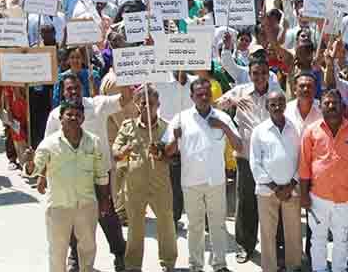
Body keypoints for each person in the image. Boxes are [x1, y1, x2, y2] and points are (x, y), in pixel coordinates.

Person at [44, 74, 131, 272]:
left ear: (82, 88)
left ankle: (120, 253)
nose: (73, 91)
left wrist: (127, 72)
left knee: (107, 215)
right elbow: (48, 147)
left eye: (76, 87)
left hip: (99, 174)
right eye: (69, 89)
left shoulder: (98, 104)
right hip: (71, 178)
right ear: (63, 92)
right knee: (75, 218)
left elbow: (125, 99)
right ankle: (75, 257)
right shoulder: (55, 115)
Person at [163, 78, 242, 272]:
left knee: (218, 225)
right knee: (195, 227)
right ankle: (195, 265)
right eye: (199, 94)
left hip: (216, 181)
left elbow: (239, 146)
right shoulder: (180, 119)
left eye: (207, 93)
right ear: (192, 97)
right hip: (191, 182)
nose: (204, 97)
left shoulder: (222, 118)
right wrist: (176, 137)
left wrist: (223, 128)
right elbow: (168, 152)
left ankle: (220, 264)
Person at [25, 100, 111, 272]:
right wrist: (29, 162)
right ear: (61, 118)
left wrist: (104, 201)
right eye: (69, 114)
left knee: (88, 248)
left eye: (77, 115)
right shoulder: (48, 144)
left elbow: (101, 176)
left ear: (83, 118)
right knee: (57, 251)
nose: (73, 118)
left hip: (86, 206)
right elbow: (34, 170)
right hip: (58, 206)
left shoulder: (93, 142)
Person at [213, 55, 282, 263]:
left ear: (268, 73)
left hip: (272, 159)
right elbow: (216, 106)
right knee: (246, 204)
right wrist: (232, 103)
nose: (259, 77)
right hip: (245, 157)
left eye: (263, 73)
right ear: (249, 75)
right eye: (255, 73)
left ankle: (278, 247)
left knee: (274, 203)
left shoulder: (276, 94)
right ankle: (245, 245)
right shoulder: (240, 91)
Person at [111, 86, 177, 272]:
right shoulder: (128, 126)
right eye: (143, 103)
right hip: (134, 187)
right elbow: (115, 153)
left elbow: (174, 158)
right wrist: (124, 151)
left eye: (152, 104)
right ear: (138, 105)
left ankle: (168, 264)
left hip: (160, 185)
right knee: (135, 228)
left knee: (166, 224)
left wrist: (162, 154)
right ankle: (133, 265)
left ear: (158, 105)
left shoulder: (166, 127)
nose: (148, 107)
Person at [299, 90, 348, 272]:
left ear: (342, 106)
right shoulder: (311, 131)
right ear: (321, 107)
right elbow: (304, 165)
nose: (331, 106)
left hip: (345, 198)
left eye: (334, 103)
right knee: (318, 238)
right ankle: (319, 269)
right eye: (327, 103)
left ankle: (339, 269)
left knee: (342, 239)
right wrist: (304, 195)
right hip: (318, 197)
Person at [249, 90, 303, 272]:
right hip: (266, 191)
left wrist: (290, 186)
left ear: (285, 104)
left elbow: (301, 159)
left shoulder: (295, 128)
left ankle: (294, 266)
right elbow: (255, 162)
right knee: (267, 233)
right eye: (273, 104)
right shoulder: (259, 131)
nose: (277, 107)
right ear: (267, 107)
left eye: (280, 103)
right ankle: (269, 268)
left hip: (291, 190)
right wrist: (274, 187)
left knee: (294, 232)